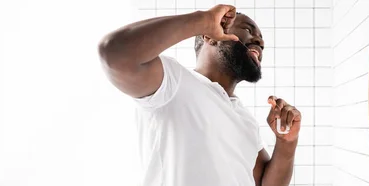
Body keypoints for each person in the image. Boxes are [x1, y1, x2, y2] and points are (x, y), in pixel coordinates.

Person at [98, 4, 301, 186]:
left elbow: (267, 183)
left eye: (262, 41)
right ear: (209, 36)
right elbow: (114, 54)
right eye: (248, 30)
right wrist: (201, 21)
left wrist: (287, 142)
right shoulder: (172, 82)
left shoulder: (244, 118)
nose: (259, 41)